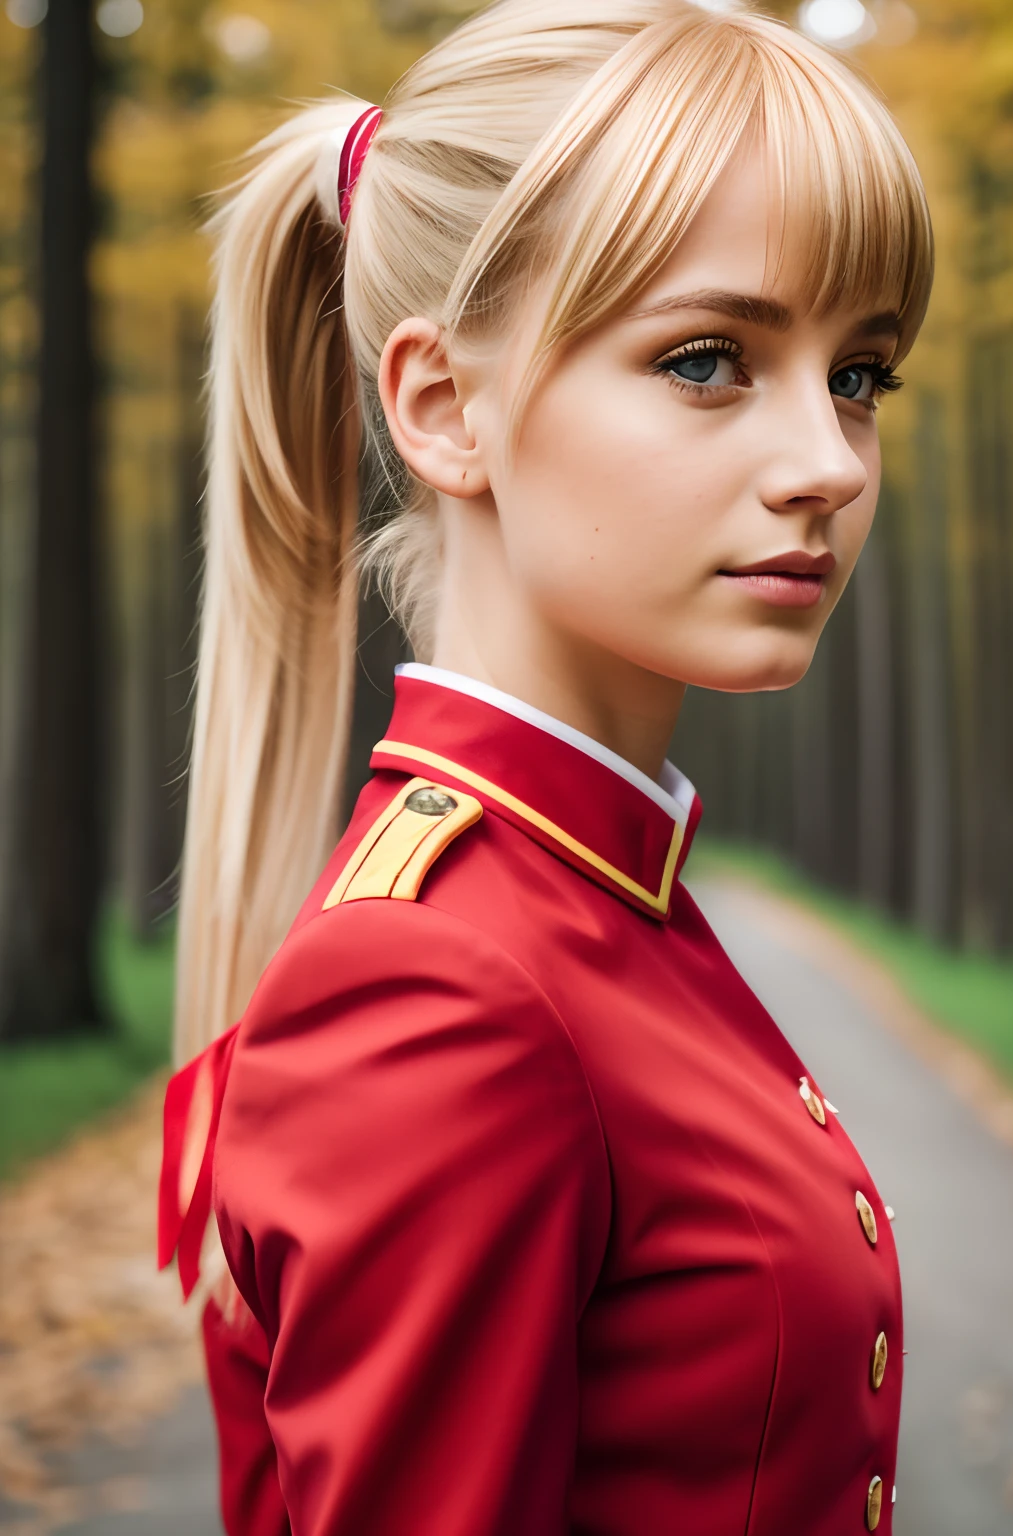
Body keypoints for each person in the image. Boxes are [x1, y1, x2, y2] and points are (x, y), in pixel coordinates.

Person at [157, 1, 933, 1531]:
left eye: (860, 374)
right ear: (446, 407)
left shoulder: (595, 896)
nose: (830, 465)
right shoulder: (445, 991)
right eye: (710, 360)